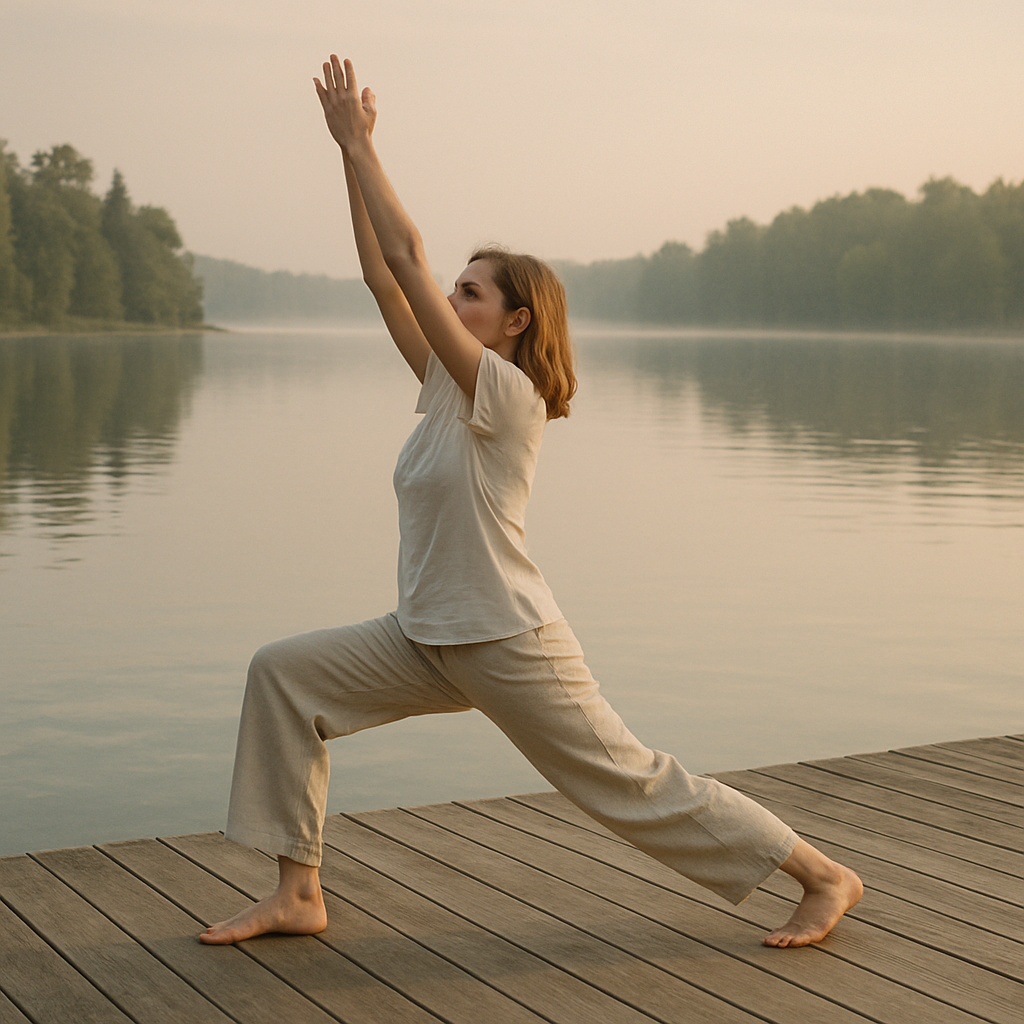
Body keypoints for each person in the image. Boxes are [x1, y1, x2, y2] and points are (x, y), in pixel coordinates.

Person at [199, 54, 862, 949]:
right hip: (428, 635)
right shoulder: (443, 385)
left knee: (631, 782)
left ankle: (824, 876)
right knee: (283, 675)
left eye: (469, 292)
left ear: (514, 321)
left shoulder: (506, 397)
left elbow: (406, 255)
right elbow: (382, 276)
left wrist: (362, 143)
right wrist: (345, 158)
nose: (448, 298)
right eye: (455, 288)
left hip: (508, 639)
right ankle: (299, 891)